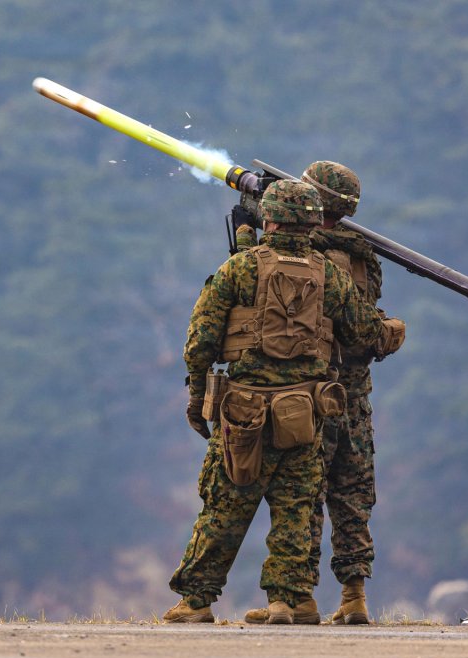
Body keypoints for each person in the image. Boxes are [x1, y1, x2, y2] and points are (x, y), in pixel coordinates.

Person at [164, 179, 405, 625]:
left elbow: (201, 340)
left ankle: (197, 601)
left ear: (269, 219)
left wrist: (198, 394)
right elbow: (362, 333)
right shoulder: (329, 274)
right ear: (313, 222)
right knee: (295, 509)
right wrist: (392, 330)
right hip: (304, 413)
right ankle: (287, 600)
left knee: (225, 505)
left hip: (244, 412)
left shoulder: (241, 269)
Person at [245, 161, 391, 625]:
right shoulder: (363, 255)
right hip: (355, 394)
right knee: (353, 495)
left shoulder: (305, 258)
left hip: (310, 394)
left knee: (302, 492)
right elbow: (368, 323)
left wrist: (251, 236)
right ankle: (354, 597)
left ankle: (299, 598)